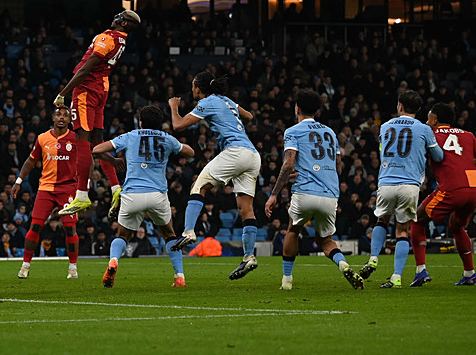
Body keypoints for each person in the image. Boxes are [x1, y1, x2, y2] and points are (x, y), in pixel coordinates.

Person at [265, 89, 363, 290]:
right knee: (326, 240)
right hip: (330, 193)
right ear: (317, 110)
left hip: (305, 192)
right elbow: (338, 166)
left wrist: (274, 194)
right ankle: (343, 264)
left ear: (297, 109)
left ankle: (287, 281)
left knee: (293, 230)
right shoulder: (330, 133)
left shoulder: (292, 131)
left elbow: (288, 163)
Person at [168, 73, 262, 281]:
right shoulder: (226, 100)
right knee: (246, 209)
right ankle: (249, 256)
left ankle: (188, 232)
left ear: (198, 88)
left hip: (235, 152)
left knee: (198, 186)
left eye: (193, 86)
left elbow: (178, 125)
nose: (192, 90)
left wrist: (174, 107)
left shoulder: (207, 102)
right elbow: (249, 117)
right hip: (253, 155)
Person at [94, 105, 193, 288]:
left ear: (140, 122)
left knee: (122, 235)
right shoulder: (167, 138)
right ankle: (179, 276)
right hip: (157, 195)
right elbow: (190, 152)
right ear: (160, 124)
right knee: (169, 234)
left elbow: (97, 150)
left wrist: (113, 161)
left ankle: (114, 260)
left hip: (132, 194)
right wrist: (176, 146)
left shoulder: (130, 136)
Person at [55, 9, 141, 217]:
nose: (115, 17)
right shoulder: (121, 41)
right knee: (97, 141)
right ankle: (116, 188)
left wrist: (63, 94)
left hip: (87, 90)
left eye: (120, 17)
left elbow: (85, 69)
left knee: (82, 142)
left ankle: (82, 195)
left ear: (124, 23)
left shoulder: (107, 38)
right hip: (102, 88)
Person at [359, 91, 443, 288]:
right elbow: (438, 156)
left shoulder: (385, 126)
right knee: (402, 230)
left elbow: (383, 151)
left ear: (400, 106)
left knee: (382, 220)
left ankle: (373, 258)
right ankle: (396, 277)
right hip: (409, 185)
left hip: (386, 182)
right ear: (419, 109)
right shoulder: (424, 129)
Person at [410, 103, 476, 286]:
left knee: (417, 219)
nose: (426, 122)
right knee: (456, 225)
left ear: (434, 120)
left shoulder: (430, 134)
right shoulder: (468, 135)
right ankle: (470, 273)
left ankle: (420, 271)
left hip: (452, 188)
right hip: (474, 188)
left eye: (428, 119)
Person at [12, 106, 80, 280]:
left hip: (68, 189)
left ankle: (73, 268)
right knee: (35, 226)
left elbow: (86, 160)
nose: (62, 117)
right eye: (58, 114)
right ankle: (25, 265)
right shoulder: (42, 138)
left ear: (70, 120)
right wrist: (18, 181)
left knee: (70, 228)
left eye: (65, 115)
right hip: (46, 188)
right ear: (53, 118)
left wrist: (85, 184)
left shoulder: (75, 138)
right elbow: (31, 160)